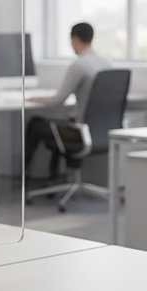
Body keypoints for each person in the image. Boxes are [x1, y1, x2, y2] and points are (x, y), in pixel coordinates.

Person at [25, 22, 113, 178]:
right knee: (58, 122)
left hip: (79, 133)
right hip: (102, 132)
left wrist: (32, 98)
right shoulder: (107, 64)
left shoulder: (79, 65)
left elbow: (58, 100)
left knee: (36, 123)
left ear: (74, 39)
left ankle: (25, 176)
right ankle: (53, 175)